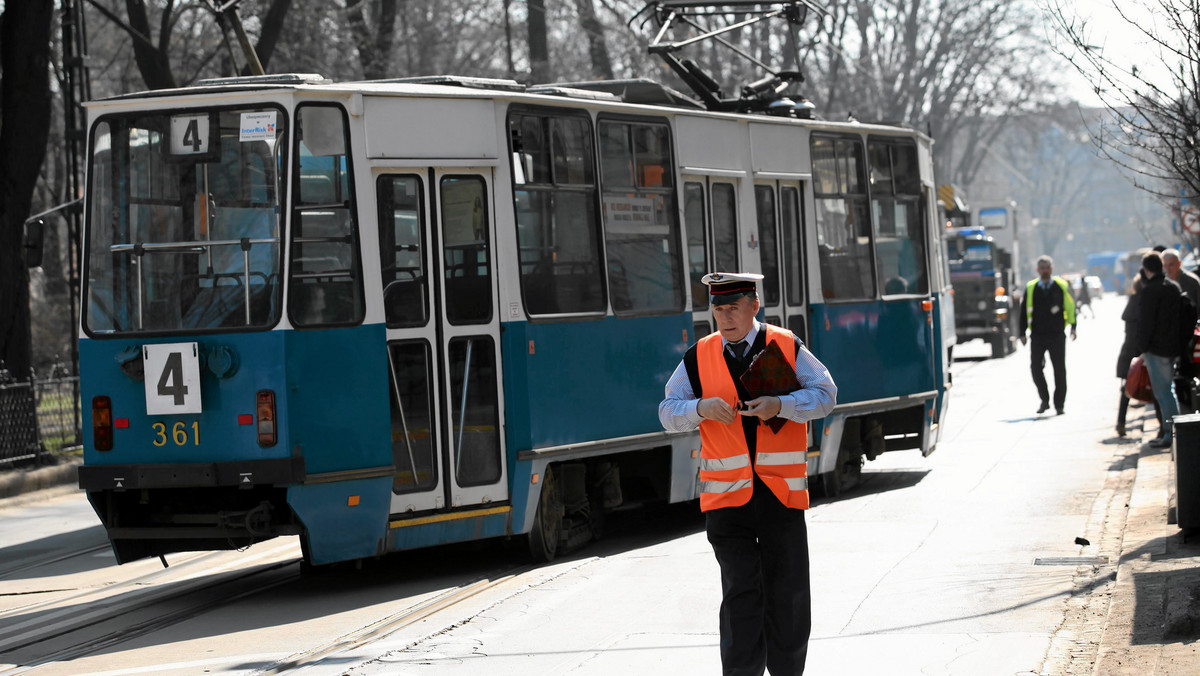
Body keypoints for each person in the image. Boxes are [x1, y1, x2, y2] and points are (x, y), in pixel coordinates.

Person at [659, 271, 836, 676]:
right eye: (718, 309)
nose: (724, 317)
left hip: (780, 497)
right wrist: (699, 409)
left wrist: (781, 404)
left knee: (788, 596)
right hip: (727, 502)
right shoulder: (698, 355)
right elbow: (667, 411)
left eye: (733, 308)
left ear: (754, 306)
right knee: (740, 595)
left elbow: (827, 395)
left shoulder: (788, 346)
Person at [1132, 251, 1184, 448]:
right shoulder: (1173, 287)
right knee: (1167, 391)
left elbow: (1146, 323)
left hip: (1156, 349)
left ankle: (1172, 434)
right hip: (1172, 347)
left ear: (1146, 270)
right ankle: (1172, 431)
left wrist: (1142, 347)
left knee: (1163, 393)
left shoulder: (1151, 290)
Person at [1018, 255, 1077, 415]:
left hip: (1057, 334)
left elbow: (1071, 307)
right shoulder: (1031, 287)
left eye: (1047, 268)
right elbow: (1023, 311)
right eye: (1042, 268)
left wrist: (1073, 327)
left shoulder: (1061, 286)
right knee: (1036, 368)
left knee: (1059, 369)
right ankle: (1044, 399)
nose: (1045, 271)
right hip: (1037, 335)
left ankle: (1059, 404)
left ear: (1052, 268)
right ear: (1037, 270)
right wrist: (1022, 333)